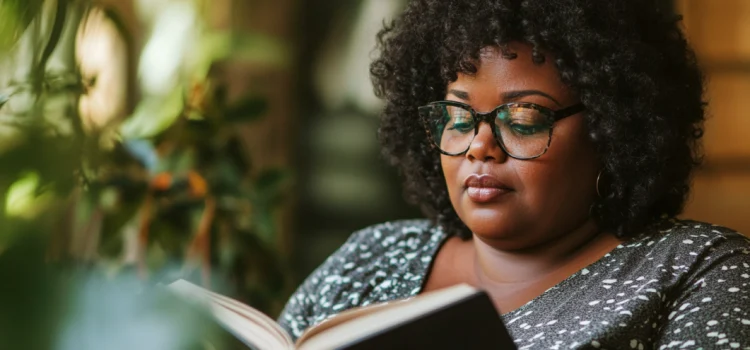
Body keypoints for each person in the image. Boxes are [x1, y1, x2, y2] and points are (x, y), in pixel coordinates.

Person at [279, 0, 750, 347]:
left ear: (613, 128)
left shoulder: (699, 272)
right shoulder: (370, 259)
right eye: (459, 119)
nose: (480, 147)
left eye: (523, 119)